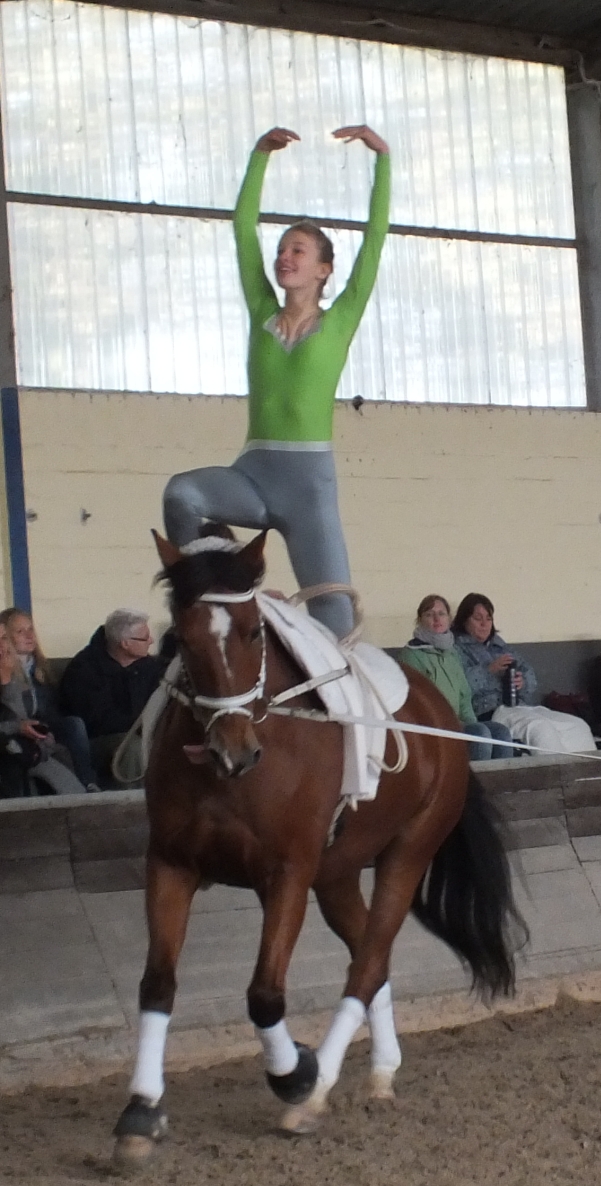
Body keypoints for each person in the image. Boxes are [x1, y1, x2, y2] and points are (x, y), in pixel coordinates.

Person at [163, 123, 390, 639]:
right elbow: (243, 228)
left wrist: (383, 160)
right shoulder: (262, 311)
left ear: (324, 270)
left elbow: (376, 240)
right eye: (282, 249)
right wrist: (258, 156)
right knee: (181, 495)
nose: (284, 257)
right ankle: (202, 596)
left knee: (336, 622)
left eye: (298, 251)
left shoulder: (340, 320)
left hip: (309, 491)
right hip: (254, 476)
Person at [453, 593, 596, 755]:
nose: (484, 624)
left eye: (489, 618)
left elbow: (529, 674)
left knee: (577, 726)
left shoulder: (500, 646)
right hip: (490, 711)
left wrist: (522, 683)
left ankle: (588, 771)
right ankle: (555, 771)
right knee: (540, 729)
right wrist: (489, 670)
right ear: (464, 620)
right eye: (477, 618)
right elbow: (458, 687)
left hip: (520, 706)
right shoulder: (456, 649)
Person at [400, 594, 513, 761]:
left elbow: (464, 696)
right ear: (420, 620)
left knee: (500, 732)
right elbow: (417, 703)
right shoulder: (411, 655)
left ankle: (500, 779)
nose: (437, 619)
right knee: (479, 733)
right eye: (430, 614)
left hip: (457, 723)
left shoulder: (452, 653)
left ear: (449, 619)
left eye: (441, 614)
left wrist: (471, 722)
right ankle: (471, 778)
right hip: (433, 727)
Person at [0, 606, 98, 790]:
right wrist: (7, 679)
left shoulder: (40, 668)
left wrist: (45, 729)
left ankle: (89, 783)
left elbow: (53, 707)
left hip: (40, 729)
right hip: (15, 735)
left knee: (73, 725)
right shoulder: (8, 672)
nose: (29, 635)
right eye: (20, 631)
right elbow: (12, 715)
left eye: (31, 629)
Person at [59, 610, 161, 785]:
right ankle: (131, 801)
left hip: (142, 734)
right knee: (133, 747)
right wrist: (143, 726)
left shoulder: (151, 667)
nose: (151, 641)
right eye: (145, 638)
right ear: (126, 644)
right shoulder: (84, 670)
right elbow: (99, 721)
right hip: (98, 741)